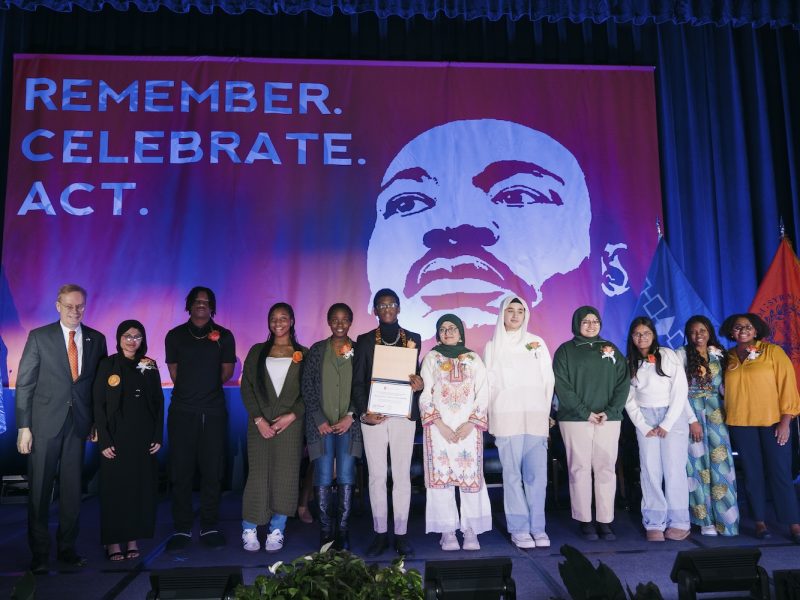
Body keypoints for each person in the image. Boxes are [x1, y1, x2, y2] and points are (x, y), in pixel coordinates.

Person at [366, 119, 593, 336]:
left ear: (610, 267)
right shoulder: (383, 345)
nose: (457, 227)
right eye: (407, 202)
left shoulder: (543, 352)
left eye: (517, 195)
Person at [15, 284, 107, 573]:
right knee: (40, 491)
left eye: (79, 306)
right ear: (58, 306)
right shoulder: (39, 337)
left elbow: (97, 386)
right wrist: (24, 427)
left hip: (78, 426)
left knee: (71, 492)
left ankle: (67, 549)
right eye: (68, 305)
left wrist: (95, 422)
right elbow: (25, 383)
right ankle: (40, 554)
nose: (74, 311)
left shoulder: (96, 339)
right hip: (43, 425)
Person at [352, 288, 423, 557]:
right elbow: (358, 383)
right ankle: (380, 533)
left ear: (399, 307)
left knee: (403, 476)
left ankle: (402, 534)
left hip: (404, 416)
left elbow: (417, 379)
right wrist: (363, 413)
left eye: (391, 304)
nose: (387, 309)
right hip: (374, 417)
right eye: (381, 306)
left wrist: (420, 384)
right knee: (377, 477)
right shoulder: (365, 340)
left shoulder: (414, 340)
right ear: (374, 310)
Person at [164, 286, 236, 551]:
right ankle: (182, 528)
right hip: (182, 411)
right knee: (181, 472)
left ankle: (209, 524)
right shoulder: (175, 336)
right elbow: (175, 373)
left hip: (213, 412)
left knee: (212, 471)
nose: (201, 305)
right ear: (189, 305)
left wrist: (205, 387)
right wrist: (193, 390)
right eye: (197, 301)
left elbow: (226, 372)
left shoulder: (224, 336)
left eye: (206, 302)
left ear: (213, 306)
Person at [720, 313, 800, 543]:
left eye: (748, 327)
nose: (743, 330)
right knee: (752, 474)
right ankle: (760, 522)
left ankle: (793, 523)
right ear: (731, 332)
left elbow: (788, 386)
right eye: (737, 327)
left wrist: (787, 421)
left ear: (756, 331)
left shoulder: (773, 352)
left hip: (773, 422)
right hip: (741, 423)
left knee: (781, 473)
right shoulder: (728, 357)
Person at [484, 295, 554, 549]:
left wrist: (545, 413)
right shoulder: (493, 346)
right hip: (506, 418)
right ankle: (519, 528)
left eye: (520, 311)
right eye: (510, 310)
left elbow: (548, 380)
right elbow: (489, 385)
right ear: (502, 313)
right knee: (512, 476)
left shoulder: (537, 343)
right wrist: (491, 416)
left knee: (537, 476)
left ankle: (538, 527)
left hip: (535, 418)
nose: (515, 315)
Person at [553, 306, 628, 541]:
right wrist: (585, 412)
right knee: (580, 468)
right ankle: (585, 519)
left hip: (608, 419)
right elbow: (562, 386)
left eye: (595, 321)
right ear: (576, 323)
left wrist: (611, 410)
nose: (591, 325)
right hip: (575, 419)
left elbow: (623, 382)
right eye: (586, 321)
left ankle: (605, 520)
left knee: (606, 468)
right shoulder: (565, 351)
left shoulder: (611, 349)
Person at [93, 320, 164, 560]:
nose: (132, 340)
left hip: (143, 438)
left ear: (143, 339)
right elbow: (98, 404)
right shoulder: (108, 364)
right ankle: (113, 542)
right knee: (115, 491)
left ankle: (132, 539)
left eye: (137, 336)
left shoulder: (149, 364)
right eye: (127, 335)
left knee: (138, 490)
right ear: (118, 338)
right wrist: (103, 439)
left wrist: (157, 435)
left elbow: (158, 403)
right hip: (114, 438)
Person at [419, 314, 491, 551]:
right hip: (439, 429)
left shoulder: (473, 359)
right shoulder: (432, 358)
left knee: (470, 478)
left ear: (461, 332)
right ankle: (448, 531)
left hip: (468, 429)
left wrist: (471, 423)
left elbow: (483, 393)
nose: (447, 332)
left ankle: (470, 530)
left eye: (452, 328)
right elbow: (425, 394)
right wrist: (439, 424)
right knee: (441, 478)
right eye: (442, 329)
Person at [240, 302, 307, 553]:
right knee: (257, 475)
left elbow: (309, 392)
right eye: (273, 318)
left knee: (286, 476)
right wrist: (258, 419)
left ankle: (276, 529)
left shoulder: (304, 353)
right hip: (260, 424)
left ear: (291, 321)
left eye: (283, 318)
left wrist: (292, 415)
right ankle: (249, 528)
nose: (278, 322)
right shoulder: (257, 351)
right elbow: (247, 386)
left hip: (291, 425)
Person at [301, 303, 362, 550]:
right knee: (323, 476)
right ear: (328, 321)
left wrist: (351, 415)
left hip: (349, 425)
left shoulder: (358, 351)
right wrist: (319, 419)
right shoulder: (317, 351)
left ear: (351, 322)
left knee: (347, 476)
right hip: (321, 427)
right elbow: (307, 386)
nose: (339, 324)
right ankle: (326, 532)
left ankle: (343, 531)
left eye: (344, 319)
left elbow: (363, 387)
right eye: (335, 319)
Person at [624, 316, 691, 542]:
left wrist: (667, 423)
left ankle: (679, 521)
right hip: (645, 418)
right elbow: (628, 398)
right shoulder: (629, 362)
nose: (642, 338)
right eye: (637, 334)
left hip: (671, 417)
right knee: (650, 470)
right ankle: (654, 521)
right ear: (632, 338)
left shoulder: (668, 355)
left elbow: (680, 390)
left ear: (653, 335)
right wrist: (643, 425)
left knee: (674, 470)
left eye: (646, 333)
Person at [675, 315, 739, 536]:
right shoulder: (681, 354)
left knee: (721, 466)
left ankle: (726, 520)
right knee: (697, 467)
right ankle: (705, 522)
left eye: (702, 330)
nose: (698, 335)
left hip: (716, 414)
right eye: (693, 331)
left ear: (709, 331)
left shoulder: (719, 354)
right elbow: (679, 392)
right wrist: (692, 420)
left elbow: (726, 387)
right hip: (692, 414)